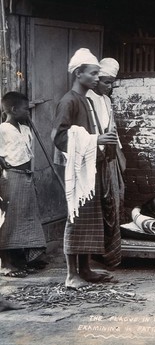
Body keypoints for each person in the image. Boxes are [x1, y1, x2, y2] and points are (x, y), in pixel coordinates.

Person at [53, 48, 120, 289]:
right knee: (77, 219)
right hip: (79, 169)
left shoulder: (87, 100)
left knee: (90, 219)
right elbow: (58, 136)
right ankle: (72, 275)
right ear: (78, 73)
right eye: (92, 74)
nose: (96, 78)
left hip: (92, 166)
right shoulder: (69, 100)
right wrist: (96, 141)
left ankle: (85, 269)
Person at [0, 92, 47, 278]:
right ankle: (5, 264)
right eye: (25, 110)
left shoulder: (25, 129)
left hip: (27, 176)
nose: (28, 113)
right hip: (10, 177)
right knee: (8, 221)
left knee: (25, 218)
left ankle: (21, 260)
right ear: (13, 109)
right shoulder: (2, 129)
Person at [86, 57, 126, 268]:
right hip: (95, 157)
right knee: (101, 203)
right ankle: (95, 252)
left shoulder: (107, 100)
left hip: (110, 155)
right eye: (106, 82)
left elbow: (112, 129)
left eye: (112, 83)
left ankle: (110, 251)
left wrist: (119, 153)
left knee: (115, 199)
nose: (109, 87)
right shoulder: (88, 99)